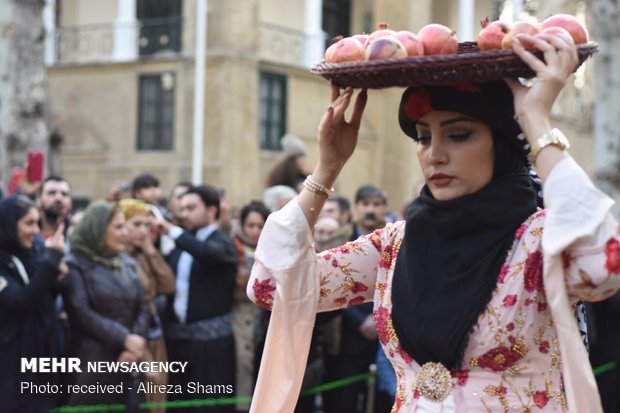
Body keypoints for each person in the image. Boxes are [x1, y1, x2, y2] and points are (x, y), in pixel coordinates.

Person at [246, 33, 620, 412]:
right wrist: (326, 170)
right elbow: (269, 287)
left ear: (504, 142)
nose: (435, 155)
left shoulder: (542, 241)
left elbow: (603, 266)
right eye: (424, 138)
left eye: (459, 135)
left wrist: (536, 122)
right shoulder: (394, 246)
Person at [155, 185, 238, 413]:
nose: (184, 214)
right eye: (181, 208)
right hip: (178, 344)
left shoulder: (222, 243)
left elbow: (207, 254)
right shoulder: (181, 245)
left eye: (191, 208)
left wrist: (173, 231)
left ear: (212, 210)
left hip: (212, 347)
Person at [62, 201, 149, 410]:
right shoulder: (76, 265)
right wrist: (124, 338)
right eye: (118, 227)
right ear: (99, 229)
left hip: (129, 362)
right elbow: (80, 312)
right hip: (92, 362)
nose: (125, 233)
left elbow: (143, 306)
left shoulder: (127, 263)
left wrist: (134, 346)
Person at [0, 195, 67, 413]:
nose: (36, 230)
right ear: (10, 225)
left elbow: (43, 293)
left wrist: (59, 275)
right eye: (28, 223)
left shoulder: (35, 251)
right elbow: (18, 302)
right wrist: (51, 264)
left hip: (42, 354)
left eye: (37, 223)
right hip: (12, 361)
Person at [119, 198, 176, 413]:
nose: (143, 230)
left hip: (154, 334)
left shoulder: (144, 255)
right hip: (132, 338)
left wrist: (150, 250)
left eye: (146, 225)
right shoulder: (117, 258)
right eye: (136, 224)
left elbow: (168, 285)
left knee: (157, 398)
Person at [231, 200, 270, 412]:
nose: (255, 231)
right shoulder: (232, 250)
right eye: (250, 225)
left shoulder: (274, 252)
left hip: (265, 320)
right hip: (239, 318)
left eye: (260, 226)